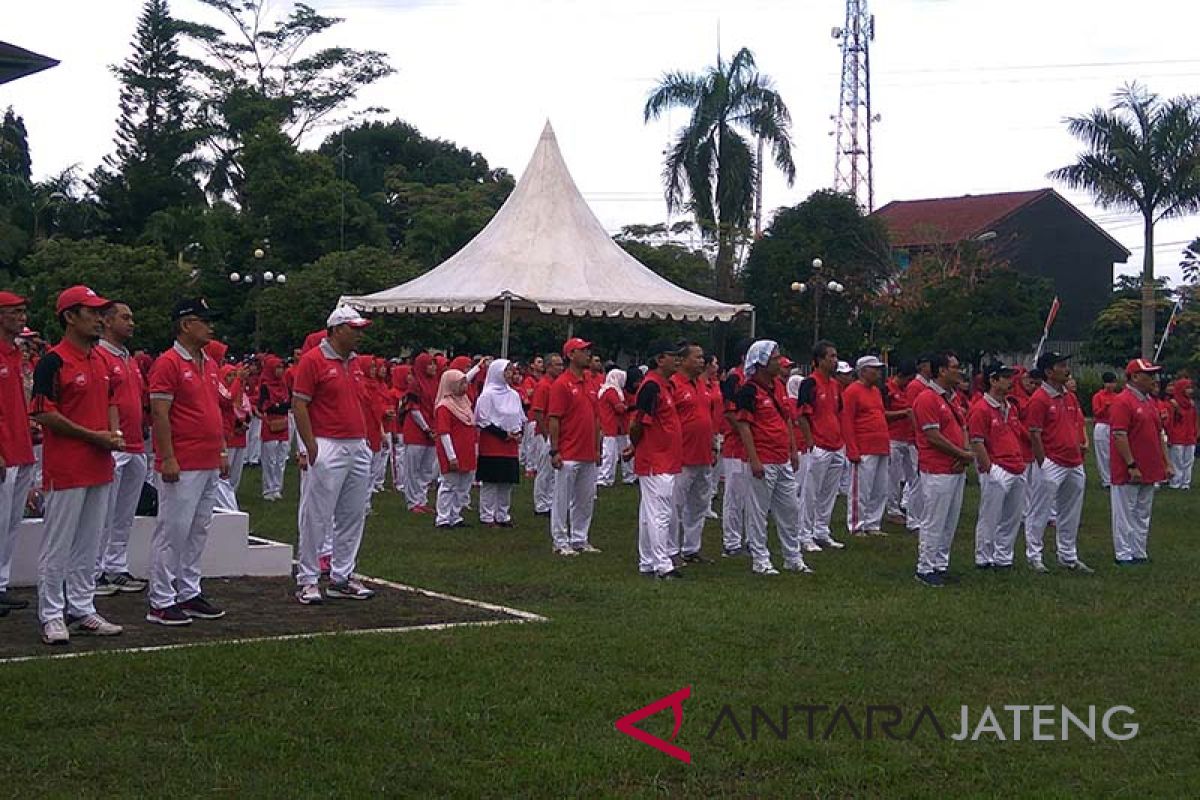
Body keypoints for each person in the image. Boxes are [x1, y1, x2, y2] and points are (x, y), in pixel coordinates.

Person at [30, 285, 126, 643]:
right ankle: (52, 614)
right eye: (92, 312)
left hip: (99, 464)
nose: (100, 318)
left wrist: (112, 433)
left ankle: (82, 607)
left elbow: (112, 397)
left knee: (89, 542)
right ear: (70, 317)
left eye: (102, 311)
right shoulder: (52, 361)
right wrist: (93, 435)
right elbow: (42, 411)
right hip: (68, 467)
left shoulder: (100, 359)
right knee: (59, 543)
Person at [145, 298, 230, 626]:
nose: (210, 327)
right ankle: (161, 598)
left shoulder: (206, 362)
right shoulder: (168, 363)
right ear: (185, 325)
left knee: (197, 528)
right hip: (184, 458)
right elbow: (160, 413)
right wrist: (167, 457)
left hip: (206, 458)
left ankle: (188, 590)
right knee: (173, 530)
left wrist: (221, 449)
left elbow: (213, 409)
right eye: (203, 321)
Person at [292, 306, 376, 605]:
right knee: (316, 514)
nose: (359, 334)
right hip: (327, 442)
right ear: (337, 329)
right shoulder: (313, 360)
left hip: (355, 442)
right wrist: (310, 445)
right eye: (354, 329)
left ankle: (342, 574)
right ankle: (308, 578)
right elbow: (299, 403)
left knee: (353, 513)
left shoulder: (353, 363)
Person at [734, 341, 808, 576]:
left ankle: (792, 556)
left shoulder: (778, 386)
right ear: (762, 363)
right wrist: (754, 459)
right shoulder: (748, 391)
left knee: (791, 509)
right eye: (775, 358)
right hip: (763, 457)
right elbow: (744, 426)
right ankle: (760, 558)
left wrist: (792, 448)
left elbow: (786, 418)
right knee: (758, 511)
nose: (780, 361)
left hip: (781, 457)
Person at [94, 301, 150, 594]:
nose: (131, 323)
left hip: (135, 443)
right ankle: (94, 569)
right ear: (106, 321)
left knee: (124, 512)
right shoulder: (100, 355)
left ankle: (115, 565)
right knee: (103, 510)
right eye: (125, 318)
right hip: (112, 444)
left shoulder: (128, 358)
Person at [1024, 351, 1094, 574]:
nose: (1066, 369)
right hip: (1052, 461)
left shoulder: (1069, 397)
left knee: (1071, 511)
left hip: (1073, 461)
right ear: (1048, 372)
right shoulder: (1039, 399)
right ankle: (1034, 556)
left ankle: (1068, 555)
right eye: (1061, 365)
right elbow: (1034, 433)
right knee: (1040, 510)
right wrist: (1043, 462)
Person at [912, 351, 973, 588]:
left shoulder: (952, 397)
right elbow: (932, 436)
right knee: (934, 519)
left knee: (950, 520)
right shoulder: (927, 398)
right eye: (954, 367)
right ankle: (925, 567)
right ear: (942, 371)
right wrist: (961, 454)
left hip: (955, 467)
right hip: (937, 468)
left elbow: (963, 426)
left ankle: (940, 563)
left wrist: (964, 454)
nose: (959, 371)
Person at [1110, 359, 1173, 564]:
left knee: (1142, 512)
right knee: (1125, 512)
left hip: (1150, 466)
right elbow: (1120, 435)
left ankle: (1139, 551)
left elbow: (1159, 433)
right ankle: (1123, 553)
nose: (1153, 379)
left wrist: (1166, 462)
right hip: (1129, 469)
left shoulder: (1149, 402)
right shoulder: (1123, 401)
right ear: (1135, 376)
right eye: (1149, 375)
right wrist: (1131, 464)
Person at [630, 341, 684, 579]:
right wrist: (638, 446)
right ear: (660, 359)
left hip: (662, 457)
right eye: (674, 356)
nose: (678, 361)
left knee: (650, 512)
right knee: (660, 512)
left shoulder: (664, 385)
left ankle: (648, 561)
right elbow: (639, 422)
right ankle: (662, 564)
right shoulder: (651, 386)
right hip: (655, 459)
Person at [0, 291, 38, 617]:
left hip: (20, 446)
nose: (22, 317)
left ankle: (1, 583)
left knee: (11, 522)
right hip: (4, 448)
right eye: (16, 312)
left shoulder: (15, 354)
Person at [968, 364, 1028, 569]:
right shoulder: (981, 408)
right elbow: (976, 441)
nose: (1010, 381)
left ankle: (1004, 556)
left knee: (1012, 517)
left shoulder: (1010, 407)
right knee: (990, 516)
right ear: (993, 381)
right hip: (997, 467)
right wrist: (989, 468)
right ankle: (983, 557)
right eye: (1005, 377)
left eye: (1010, 377)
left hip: (1016, 465)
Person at [548, 338, 602, 556]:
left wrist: (597, 448)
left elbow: (596, 417)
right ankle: (560, 540)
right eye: (583, 351)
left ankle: (580, 537)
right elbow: (554, 418)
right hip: (569, 451)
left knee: (585, 498)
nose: (588, 354)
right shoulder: (562, 384)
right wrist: (555, 449)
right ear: (571, 355)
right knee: (562, 498)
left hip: (587, 451)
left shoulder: (589, 382)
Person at [796, 340, 847, 552]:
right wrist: (810, 441)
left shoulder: (835, 385)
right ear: (819, 360)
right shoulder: (810, 383)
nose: (835, 361)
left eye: (835, 356)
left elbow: (837, 412)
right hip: (819, 445)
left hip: (836, 444)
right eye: (831, 357)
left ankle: (821, 530)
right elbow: (802, 415)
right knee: (810, 492)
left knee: (829, 492)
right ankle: (804, 534)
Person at [671, 341, 715, 563]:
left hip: (703, 454)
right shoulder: (674, 385)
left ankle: (691, 547)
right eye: (697, 357)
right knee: (675, 505)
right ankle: (671, 549)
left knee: (698, 504)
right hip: (682, 456)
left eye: (702, 357)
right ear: (683, 360)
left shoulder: (702, 384)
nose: (701, 361)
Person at [840, 355, 891, 536]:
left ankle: (873, 523)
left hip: (881, 445)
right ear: (862, 371)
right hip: (864, 446)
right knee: (861, 489)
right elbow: (847, 421)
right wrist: (852, 448)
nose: (877, 372)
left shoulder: (876, 391)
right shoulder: (853, 391)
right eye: (874, 369)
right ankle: (857, 524)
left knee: (879, 488)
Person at [475, 359, 524, 527]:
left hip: (510, 445)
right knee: (491, 482)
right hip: (492, 443)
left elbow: (519, 416)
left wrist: (518, 433)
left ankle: (503, 514)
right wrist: (504, 434)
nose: (510, 375)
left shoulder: (514, 394)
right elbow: (483, 420)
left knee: (506, 482)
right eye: (507, 371)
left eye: (511, 371)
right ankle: (487, 516)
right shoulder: (487, 395)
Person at [719, 339, 752, 557]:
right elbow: (730, 412)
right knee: (734, 495)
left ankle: (750, 538)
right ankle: (731, 542)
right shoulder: (735, 379)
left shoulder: (755, 381)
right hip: (735, 446)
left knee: (750, 496)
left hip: (751, 447)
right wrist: (745, 433)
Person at [433, 369, 478, 529]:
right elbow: (444, 433)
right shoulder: (444, 407)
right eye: (461, 383)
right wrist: (451, 456)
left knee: (463, 485)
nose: (465, 386)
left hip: (466, 450)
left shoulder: (464, 403)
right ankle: (443, 518)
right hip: (452, 451)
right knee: (449, 484)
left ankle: (456, 515)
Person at [402, 352, 441, 513]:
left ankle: (422, 499)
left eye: (434, 364)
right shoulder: (415, 385)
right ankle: (412, 502)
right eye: (430, 364)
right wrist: (426, 428)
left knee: (427, 469)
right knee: (413, 468)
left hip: (431, 430)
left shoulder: (435, 382)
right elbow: (413, 409)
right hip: (417, 432)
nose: (433, 367)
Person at [214, 364, 250, 511]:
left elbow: (243, 408)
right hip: (222, 437)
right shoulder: (220, 388)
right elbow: (228, 399)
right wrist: (238, 380)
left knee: (234, 473)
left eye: (234, 375)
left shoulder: (237, 388)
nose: (232, 378)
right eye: (229, 375)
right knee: (223, 475)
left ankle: (230, 501)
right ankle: (229, 508)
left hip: (233, 434)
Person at [531, 354, 564, 515]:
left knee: (552, 471)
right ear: (548, 367)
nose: (560, 368)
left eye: (561, 365)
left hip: (553, 433)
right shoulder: (543, 385)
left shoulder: (555, 384)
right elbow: (537, 411)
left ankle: (549, 501)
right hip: (544, 433)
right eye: (557, 365)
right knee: (544, 470)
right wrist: (546, 434)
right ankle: (541, 504)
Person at [257, 354, 290, 501]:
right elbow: (265, 405)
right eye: (277, 367)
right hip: (270, 424)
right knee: (269, 459)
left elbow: (287, 404)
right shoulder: (265, 386)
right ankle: (268, 488)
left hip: (283, 423)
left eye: (281, 367)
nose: (280, 371)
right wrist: (278, 406)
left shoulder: (283, 384)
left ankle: (277, 487)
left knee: (281, 458)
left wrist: (278, 405)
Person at [596, 368, 630, 488]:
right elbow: (619, 408)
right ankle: (604, 477)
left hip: (612, 425)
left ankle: (608, 477)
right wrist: (627, 407)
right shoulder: (611, 391)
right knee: (609, 453)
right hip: (610, 425)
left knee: (612, 452)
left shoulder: (606, 389)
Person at [1166, 374, 1196, 489]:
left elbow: (1194, 420)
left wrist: (1195, 433)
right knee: (1177, 460)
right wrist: (1170, 436)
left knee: (1189, 460)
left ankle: (1185, 482)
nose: (1190, 390)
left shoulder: (1191, 404)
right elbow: (1170, 422)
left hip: (1189, 436)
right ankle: (1175, 481)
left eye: (1190, 388)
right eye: (1187, 388)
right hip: (1177, 437)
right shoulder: (1173, 404)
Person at [1091, 372, 1120, 489]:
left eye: (1112, 382)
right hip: (1102, 425)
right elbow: (1096, 412)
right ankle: (1106, 479)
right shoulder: (1098, 396)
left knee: (1114, 452)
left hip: (1113, 425)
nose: (1110, 385)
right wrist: (1105, 407)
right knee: (1103, 453)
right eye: (1108, 382)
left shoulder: (1117, 397)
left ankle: (1114, 477)